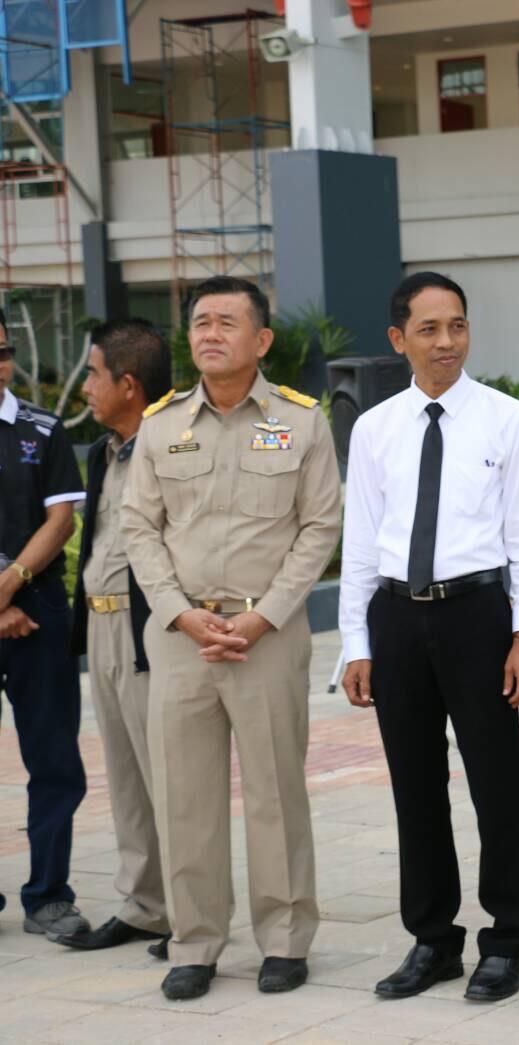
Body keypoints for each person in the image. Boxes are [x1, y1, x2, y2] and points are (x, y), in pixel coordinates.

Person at [121, 276, 341, 1001]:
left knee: (275, 791)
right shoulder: (161, 424)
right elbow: (138, 528)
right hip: (181, 635)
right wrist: (178, 612)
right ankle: (195, 942)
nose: (210, 334)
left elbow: (319, 527)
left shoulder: (301, 421)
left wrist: (264, 614)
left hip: (264, 634)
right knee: (184, 797)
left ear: (261, 339)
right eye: (200, 323)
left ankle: (284, 939)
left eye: (226, 322)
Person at [339, 271, 519, 1003]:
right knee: (415, 786)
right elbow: (361, 542)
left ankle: (508, 939)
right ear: (398, 339)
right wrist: (356, 642)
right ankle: (432, 939)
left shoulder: (509, 420)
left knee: (497, 782)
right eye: (429, 329)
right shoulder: (374, 428)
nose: (446, 342)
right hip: (397, 617)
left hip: (478, 615)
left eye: (457, 325)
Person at [57, 319, 173, 957]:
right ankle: (145, 906)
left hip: (148, 629)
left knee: (168, 777)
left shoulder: (171, 445)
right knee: (126, 776)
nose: (87, 389)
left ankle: (190, 910)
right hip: (102, 627)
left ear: (128, 385)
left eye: (94, 375)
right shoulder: (106, 452)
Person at [0, 308, 89, 940]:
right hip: (12, 605)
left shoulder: (43, 428)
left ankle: (49, 896)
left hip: (39, 613)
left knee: (55, 758)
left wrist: (9, 586)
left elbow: (61, 520)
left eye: (4, 351)